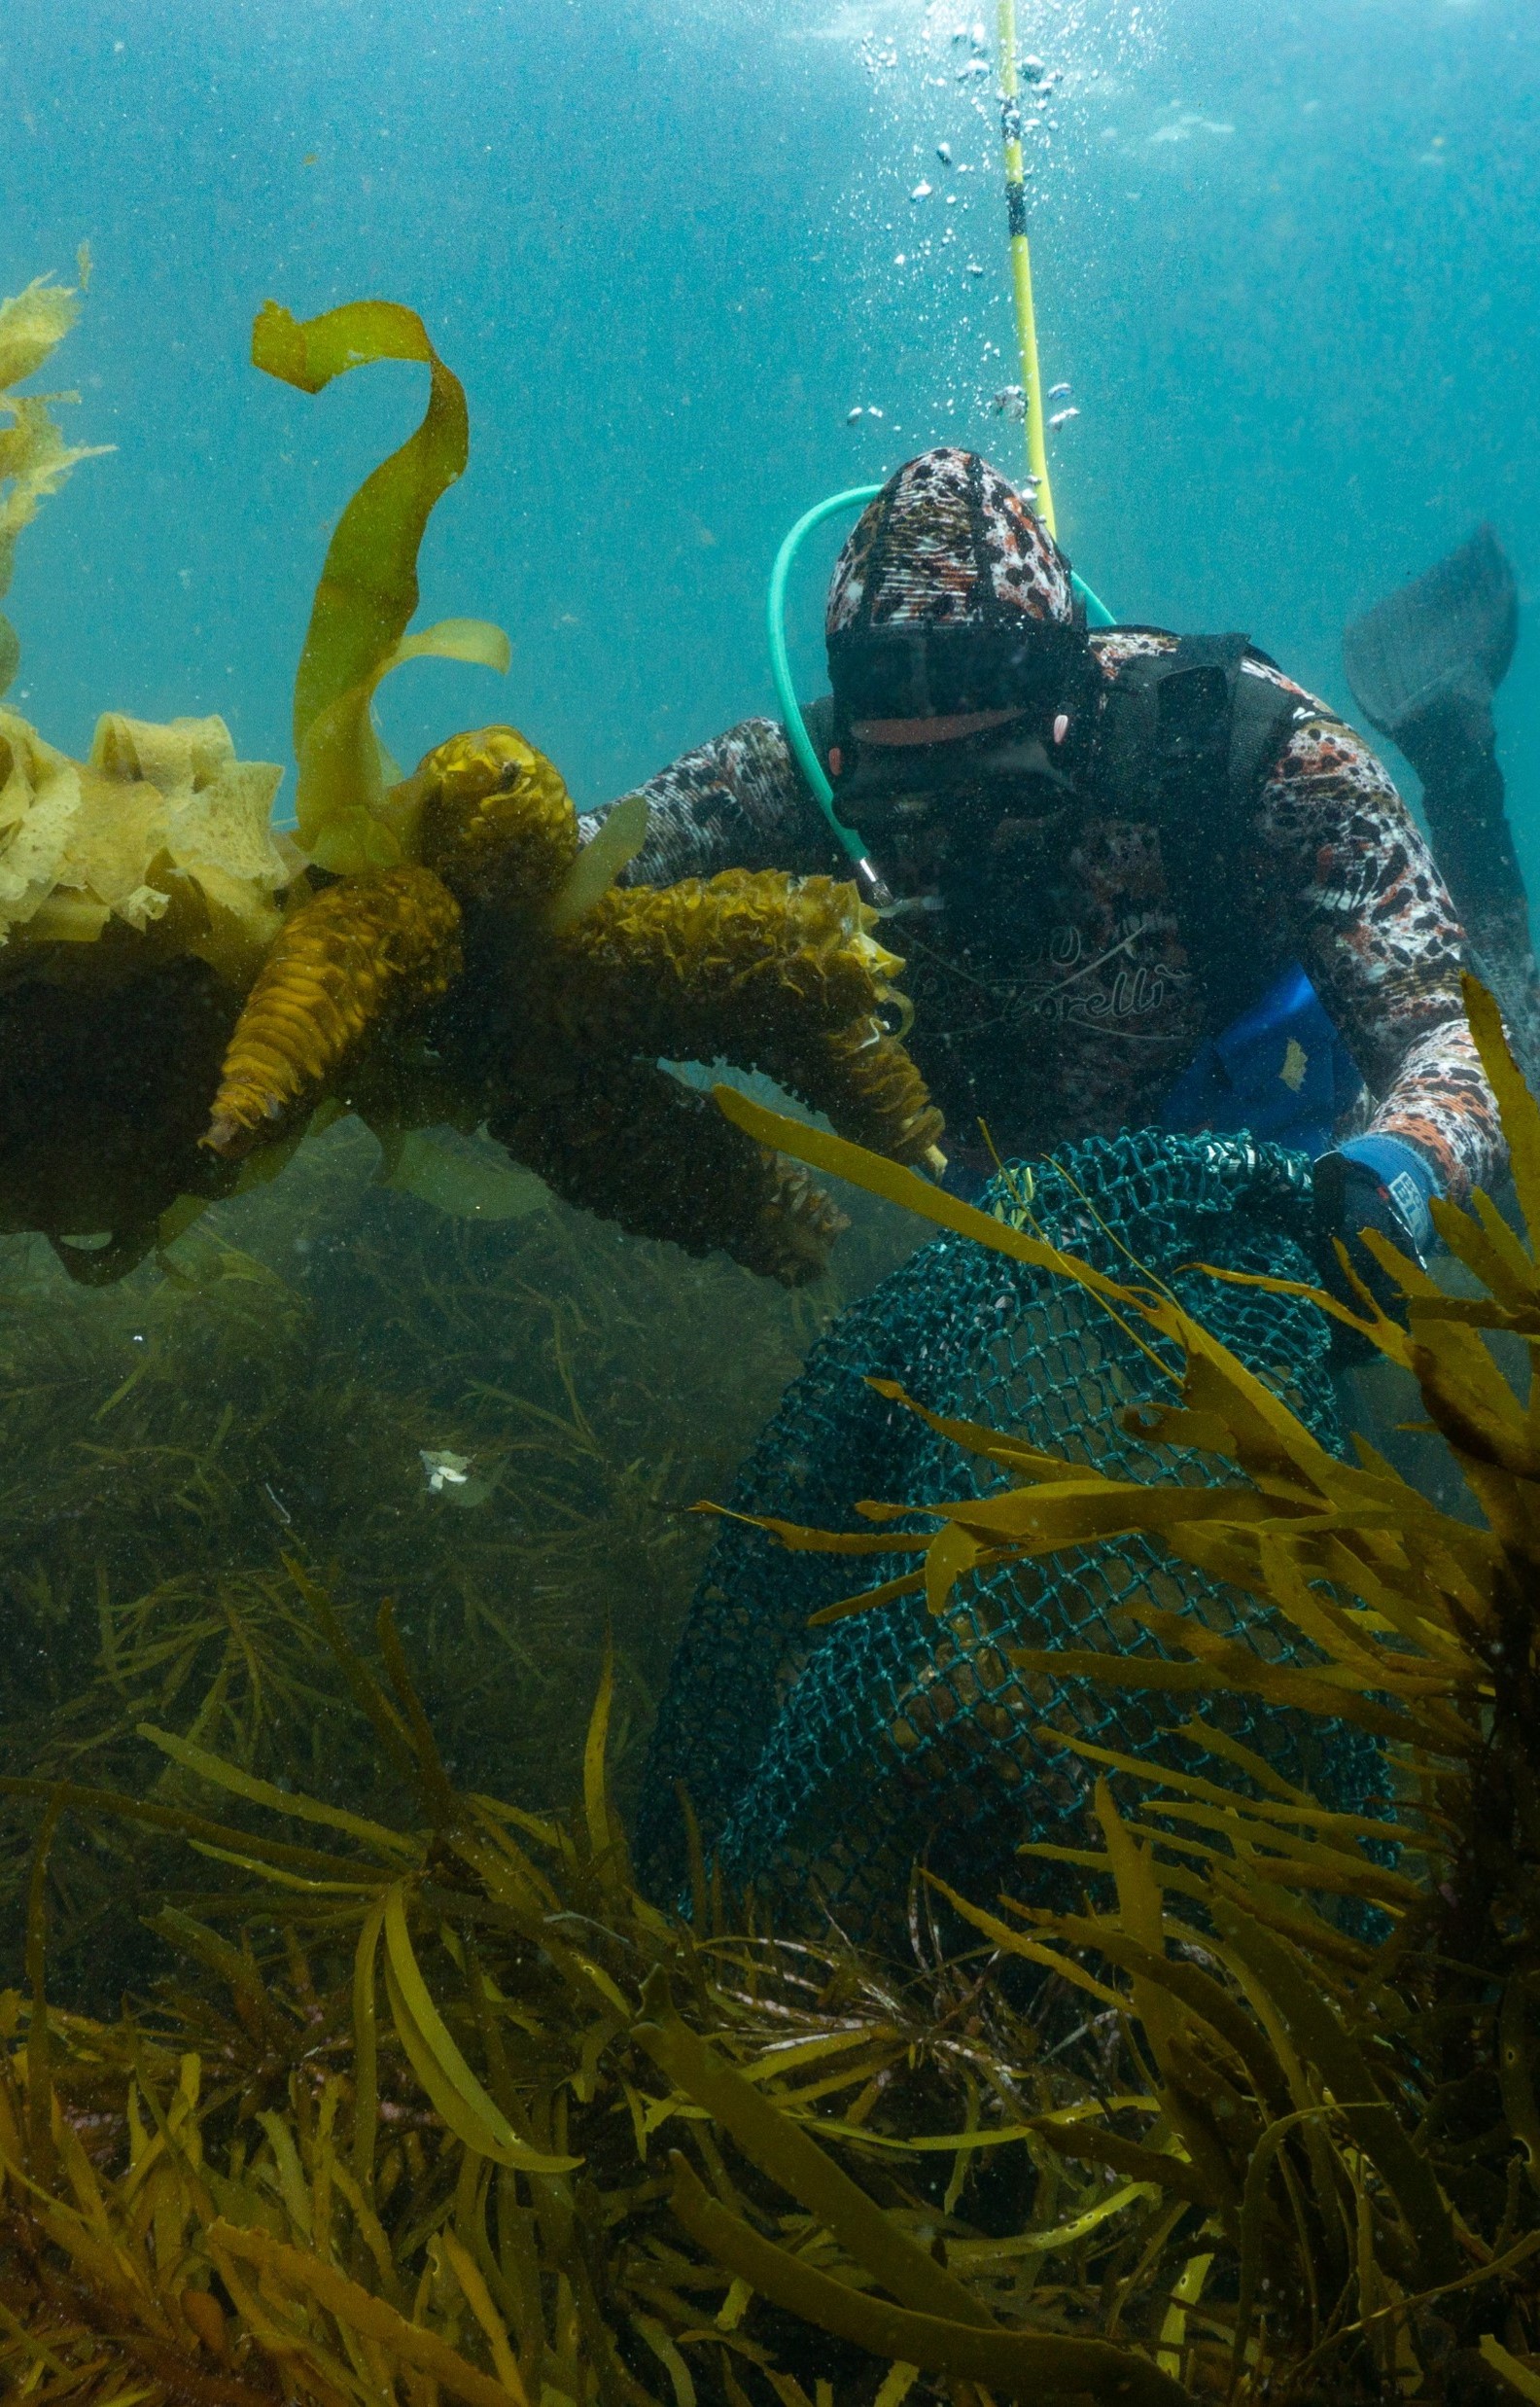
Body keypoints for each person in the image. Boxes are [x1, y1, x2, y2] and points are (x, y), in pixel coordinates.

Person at [585, 447, 1505, 1304]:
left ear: (1074, 718)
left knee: (1517, 1031)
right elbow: (588, 857)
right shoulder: (796, 773)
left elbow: (1458, 1037)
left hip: (1287, 1153)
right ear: (848, 750)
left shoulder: (1262, 763)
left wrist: (1393, 1179)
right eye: (906, 803)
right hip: (1025, 1206)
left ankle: (1454, 748)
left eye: (991, 799)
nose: (949, 847)